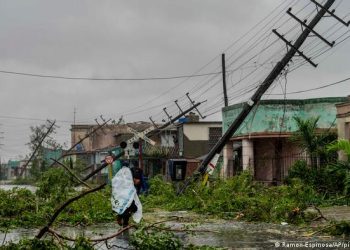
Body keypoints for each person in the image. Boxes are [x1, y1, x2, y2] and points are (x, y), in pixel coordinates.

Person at [107, 156, 142, 227]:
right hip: (125, 196)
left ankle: (122, 220)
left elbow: (115, 182)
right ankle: (124, 222)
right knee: (127, 209)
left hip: (127, 196)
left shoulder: (126, 173)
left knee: (132, 208)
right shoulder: (125, 173)